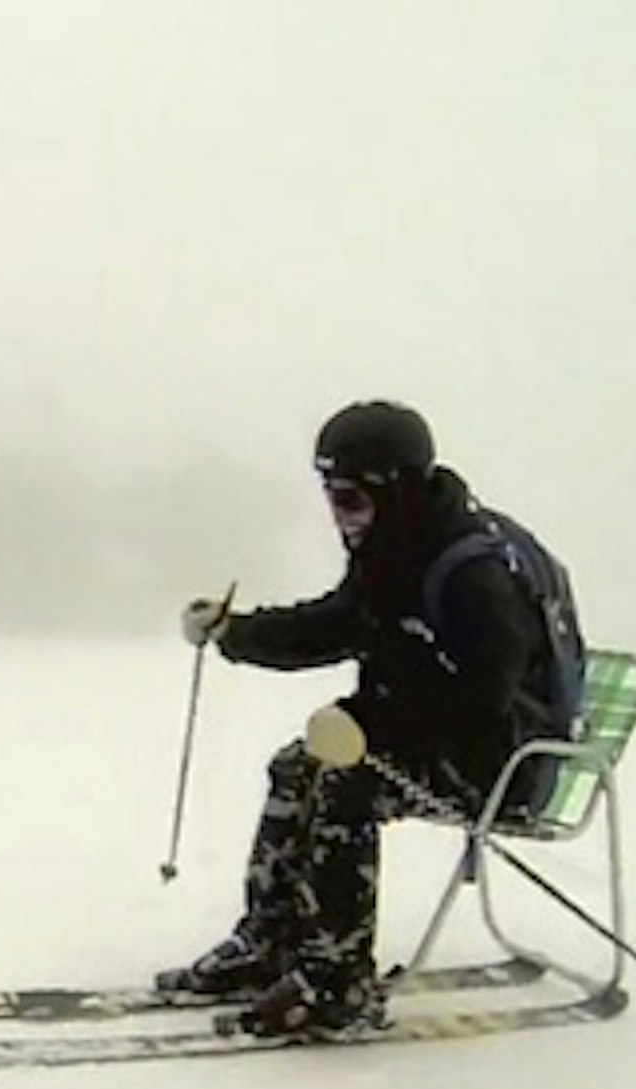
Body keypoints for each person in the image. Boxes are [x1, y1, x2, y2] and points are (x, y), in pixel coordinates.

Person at [161, 400, 565, 1038]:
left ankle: (336, 983)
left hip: (504, 762)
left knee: (345, 784)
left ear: (397, 489)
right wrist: (235, 632)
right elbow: (338, 623)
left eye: (350, 499)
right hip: (434, 741)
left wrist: (372, 732)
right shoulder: (394, 546)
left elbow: (484, 701)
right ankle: (272, 943)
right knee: (298, 766)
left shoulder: (472, 575)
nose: (340, 518)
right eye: (332, 498)